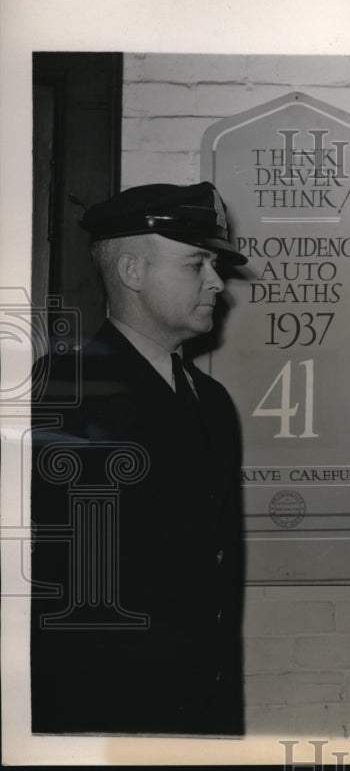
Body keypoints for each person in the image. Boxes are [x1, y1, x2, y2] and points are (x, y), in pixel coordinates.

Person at [31, 182, 249, 735]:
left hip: (200, 706)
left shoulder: (212, 401)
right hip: (110, 712)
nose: (217, 283)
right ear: (131, 271)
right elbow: (56, 589)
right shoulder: (67, 391)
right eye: (196, 263)